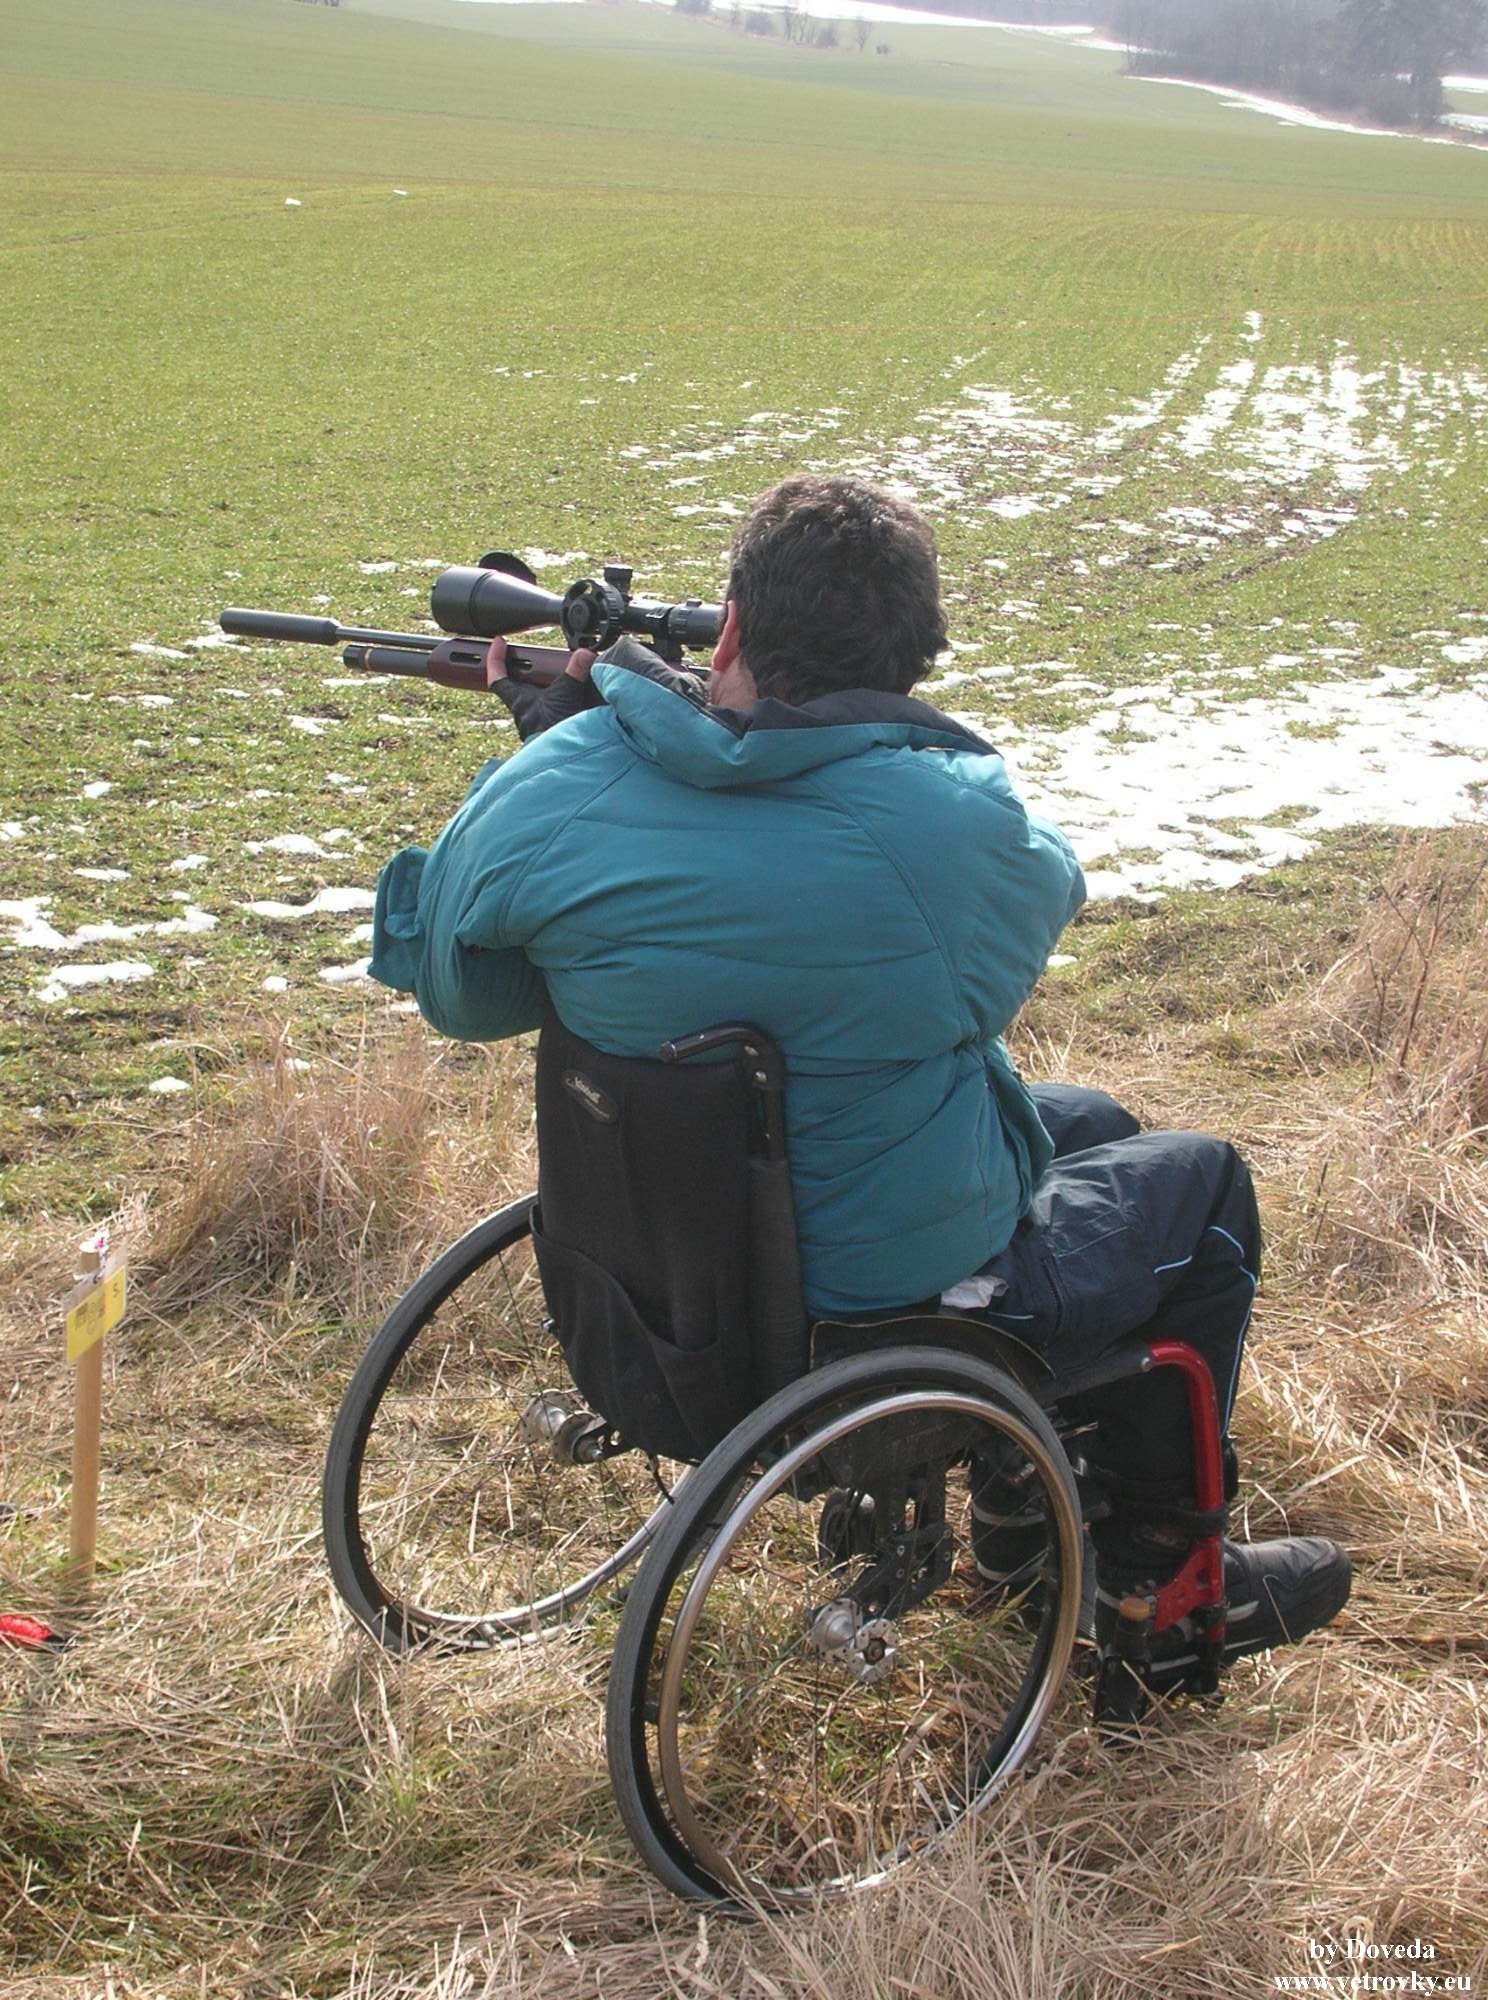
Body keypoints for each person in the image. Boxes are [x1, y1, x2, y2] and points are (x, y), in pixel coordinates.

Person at [370, 475, 1350, 1692]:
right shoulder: (949, 821)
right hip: (871, 1317)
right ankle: (1162, 1595)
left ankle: (1022, 1519)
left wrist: (587, 739)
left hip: (651, 1293)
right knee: (1201, 1187)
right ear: (915, 662)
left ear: (729, 629)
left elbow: (466, 994)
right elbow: (1016, 937)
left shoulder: (560, 781)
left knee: (1095, 1124)